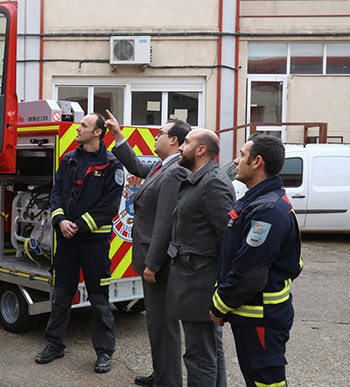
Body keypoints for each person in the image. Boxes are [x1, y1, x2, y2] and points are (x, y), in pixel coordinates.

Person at [209, 134, 303, 386]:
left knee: (266, 382)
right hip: (253, 315)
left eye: (241, 155)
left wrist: (219, 306)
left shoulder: (267, 211)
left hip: (262, 317)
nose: (237, 161)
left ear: (257, 162)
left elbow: (249, 272)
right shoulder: (255, 202)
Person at [105, 111, 190, 387]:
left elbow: (166, 222)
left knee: (164, 325)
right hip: (151, 259)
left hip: (160, 263)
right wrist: (118, 135)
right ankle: (160, 373)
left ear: (174, 140)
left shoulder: (175, 169)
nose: (156, 136)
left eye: (161, 134)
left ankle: (169, 381)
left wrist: (153, 263)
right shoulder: (161, 165)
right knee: (155, 324)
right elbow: (136, 166)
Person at [35, 112, 124, 374]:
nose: (78, 128)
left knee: (99, 299)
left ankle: (104, 353)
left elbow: (110, 206)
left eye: (84, 125)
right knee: (61, 294)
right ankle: (55, 344)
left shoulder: (112, 165)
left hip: (94, 242)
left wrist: (80, 224)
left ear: (98, 132)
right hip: (66, 239)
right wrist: (61, 221)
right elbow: (57, 193)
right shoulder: (69, 159)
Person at [167, 128, 234, 386]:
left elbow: (228, 241)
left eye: (186, 142)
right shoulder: (198, 178)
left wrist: (221, 291)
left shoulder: (213, 183)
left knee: (199, 356)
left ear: (201, 150)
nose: (180, 147)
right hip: (193, 281)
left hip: (200, 284)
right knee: (209, 352)